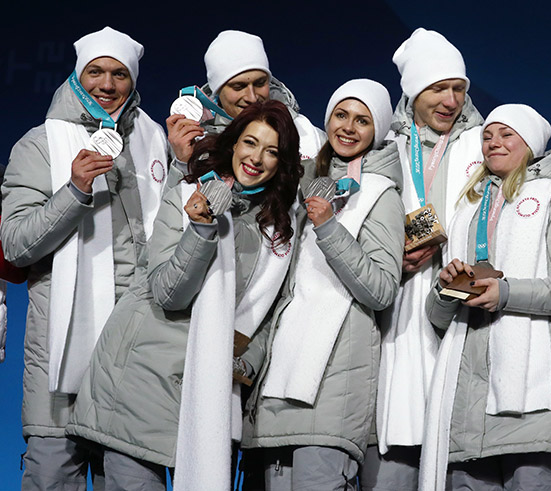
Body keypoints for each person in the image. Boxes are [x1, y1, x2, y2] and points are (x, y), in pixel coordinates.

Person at [66, 100, 302, 490]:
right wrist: (201, 231)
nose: (256, 157)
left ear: (283, 162)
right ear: (233, 144)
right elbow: (167, 293)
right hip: (142, 380)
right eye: (249, 142)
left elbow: (269, 317)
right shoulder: (186, 195)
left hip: (212, 394)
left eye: (272, 150)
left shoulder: (279, 231)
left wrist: (247, 362)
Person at [0, 27, 168, 490]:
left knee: (136, 479)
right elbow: (16, 244)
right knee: (53, 477)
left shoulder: (156, 141)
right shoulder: (40, 144)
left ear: (133, 81)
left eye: (119, 74)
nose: (107, 85)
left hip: (136, 347)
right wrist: (73, 190)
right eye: (95, 72)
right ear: (78, 75)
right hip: (63, 352)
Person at [244, 79, 404, 490]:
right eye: (341, 115)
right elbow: (281, 291)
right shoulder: (302, 187)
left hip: (334, 384)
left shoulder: (382, 194)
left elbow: (382, 289)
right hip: (279, 384)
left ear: (378, 130)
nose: (348, 127)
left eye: (362, 121)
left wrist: (330, 229)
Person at [421, 104, 551, 491]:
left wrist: (506, 293)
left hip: (534, 404)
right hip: (467, 408)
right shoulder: (466, 209)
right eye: (487, 135)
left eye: (506, 134)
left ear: (529, 143)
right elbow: (437, 318)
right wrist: (447, 288)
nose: (493, 142)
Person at [365, 28, 485, 491]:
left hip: (460, 303)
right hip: (395, 307)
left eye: (459, 89)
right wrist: (392, 253)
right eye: (438, 88)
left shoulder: (482, 143)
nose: (451, 99)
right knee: (396, 443)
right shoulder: (384, 149)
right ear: (413, 93)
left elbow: (533, 165)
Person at [166, 30, 323, 184]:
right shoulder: (190, 141)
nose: (252, 97)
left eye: (260, 83)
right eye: (239, 86)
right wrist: (183, 165)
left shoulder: (306, 133)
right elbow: (172, 206)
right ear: (218, 91)